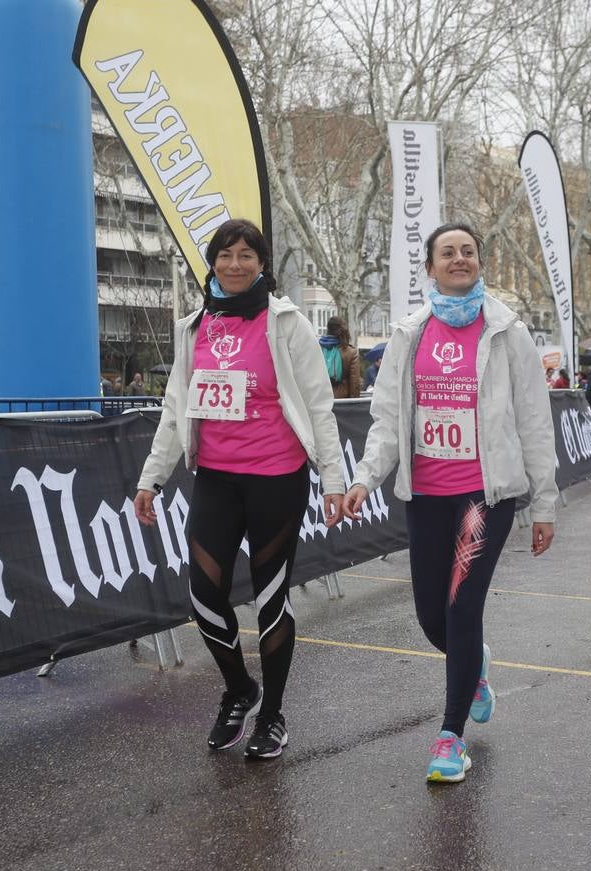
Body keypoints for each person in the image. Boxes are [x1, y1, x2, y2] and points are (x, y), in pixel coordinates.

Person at [341, 223, 556, 783]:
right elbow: (388, 419)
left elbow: (535, 422)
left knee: (463, 608)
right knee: (431, 616)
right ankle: (475, 664)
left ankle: (450, 737)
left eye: (468, 252)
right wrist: (365, 478)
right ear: (431, 268)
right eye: (447, 253)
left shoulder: (508, 332)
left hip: (486, 494)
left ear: (479, 262)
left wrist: (544, 503)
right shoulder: (409, 335)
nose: (459, 259)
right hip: (427, 494)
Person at [133, 218, 346, 761]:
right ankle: (238, 690)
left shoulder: (287, 323)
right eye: (225, 255)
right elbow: (175, 410)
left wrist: (333, 479)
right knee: (203, 597)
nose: (235, 265)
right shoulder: (193, 327)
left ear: (262, 263)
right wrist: (151, 480)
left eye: (246, 255)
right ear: (213, 261)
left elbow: (319, 406)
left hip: (277, 478)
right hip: (217, 480)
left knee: (271, 601)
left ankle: (272, 716)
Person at [320, 316, 362, 399]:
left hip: (321, 399)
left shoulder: (318, 348)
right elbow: (355, 383)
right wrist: (354, 401)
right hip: (342, 401)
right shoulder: (351, 352)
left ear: (328, 329)